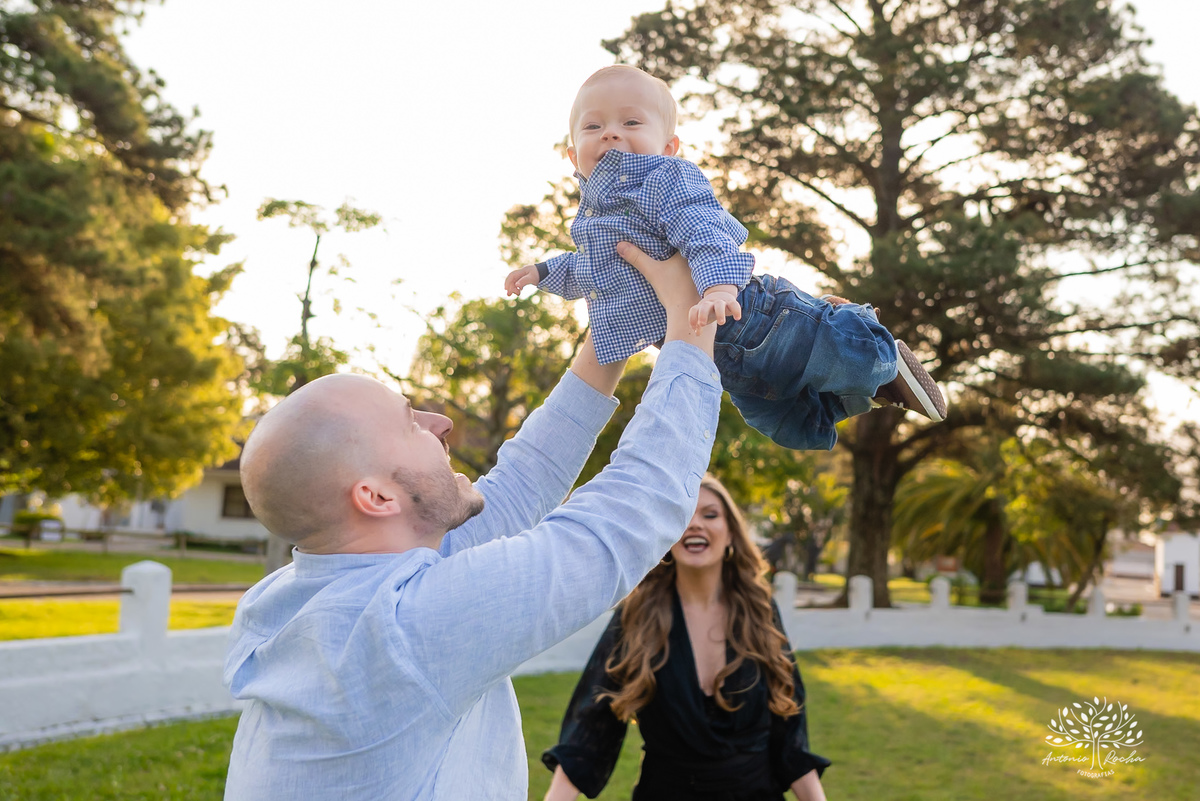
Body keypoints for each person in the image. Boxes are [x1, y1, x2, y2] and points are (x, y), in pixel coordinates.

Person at [222, 244, 723, 801]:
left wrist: (614, 322)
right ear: (376, 496)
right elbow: (633, 511)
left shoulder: (325, 594)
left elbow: (523, 482)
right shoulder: (402, 627)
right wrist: (689, 315)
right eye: (410, 424)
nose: (441, 422)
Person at [505, 65, 946, 451]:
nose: (611, 133)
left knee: (853, 354)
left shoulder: (665, 180)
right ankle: (867, 393)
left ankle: (861, 333)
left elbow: (704, 229)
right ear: (572, 157)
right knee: (794, 427)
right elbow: (587, 271)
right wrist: (542, 272)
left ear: (668, 147)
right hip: (715, 357)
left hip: (751, 315)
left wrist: (718, 285)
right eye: (592, 127)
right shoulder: (593, 223)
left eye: (631, 121)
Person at [542, 475, 830, 801]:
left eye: (710, 514)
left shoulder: (760, 612)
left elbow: (789, 728)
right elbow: (592, 725)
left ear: (731, 532)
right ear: (666, 533)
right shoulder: (638, 616)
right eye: (683, 514)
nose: (695, 524)